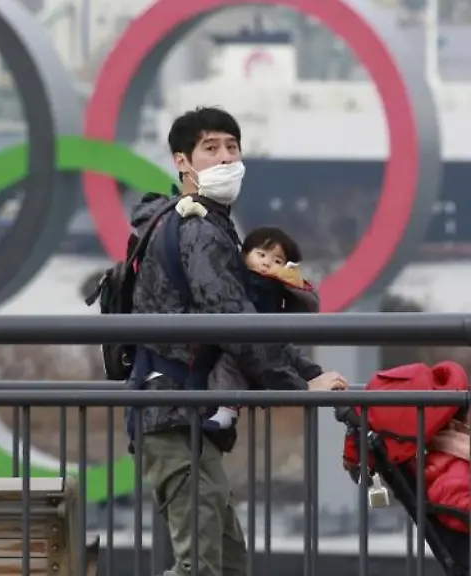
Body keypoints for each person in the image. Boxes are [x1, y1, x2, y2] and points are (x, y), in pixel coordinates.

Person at [127, 107, 348, 576]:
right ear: (182, 161)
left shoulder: (194, 223)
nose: (226, 158)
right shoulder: (199, 231)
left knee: (226, 563)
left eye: (232, 147)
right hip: (175, 412)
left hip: (182, 412)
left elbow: (244, 319)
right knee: (202, 567)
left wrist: (308, 372)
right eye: (211, 148)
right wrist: (299, 386)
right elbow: (236, 325)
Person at [201, 225, 319, 442]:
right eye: (261, 255)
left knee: (297, 360)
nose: (266, 263)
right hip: (247, 341)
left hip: (273, 340)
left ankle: (319, 378)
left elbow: (307, 309)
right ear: (245, 255)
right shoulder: (238, 278)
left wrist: (295, 284)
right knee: (228, 367)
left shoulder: (281, 286)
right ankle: (226, 409)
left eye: (277, 260)